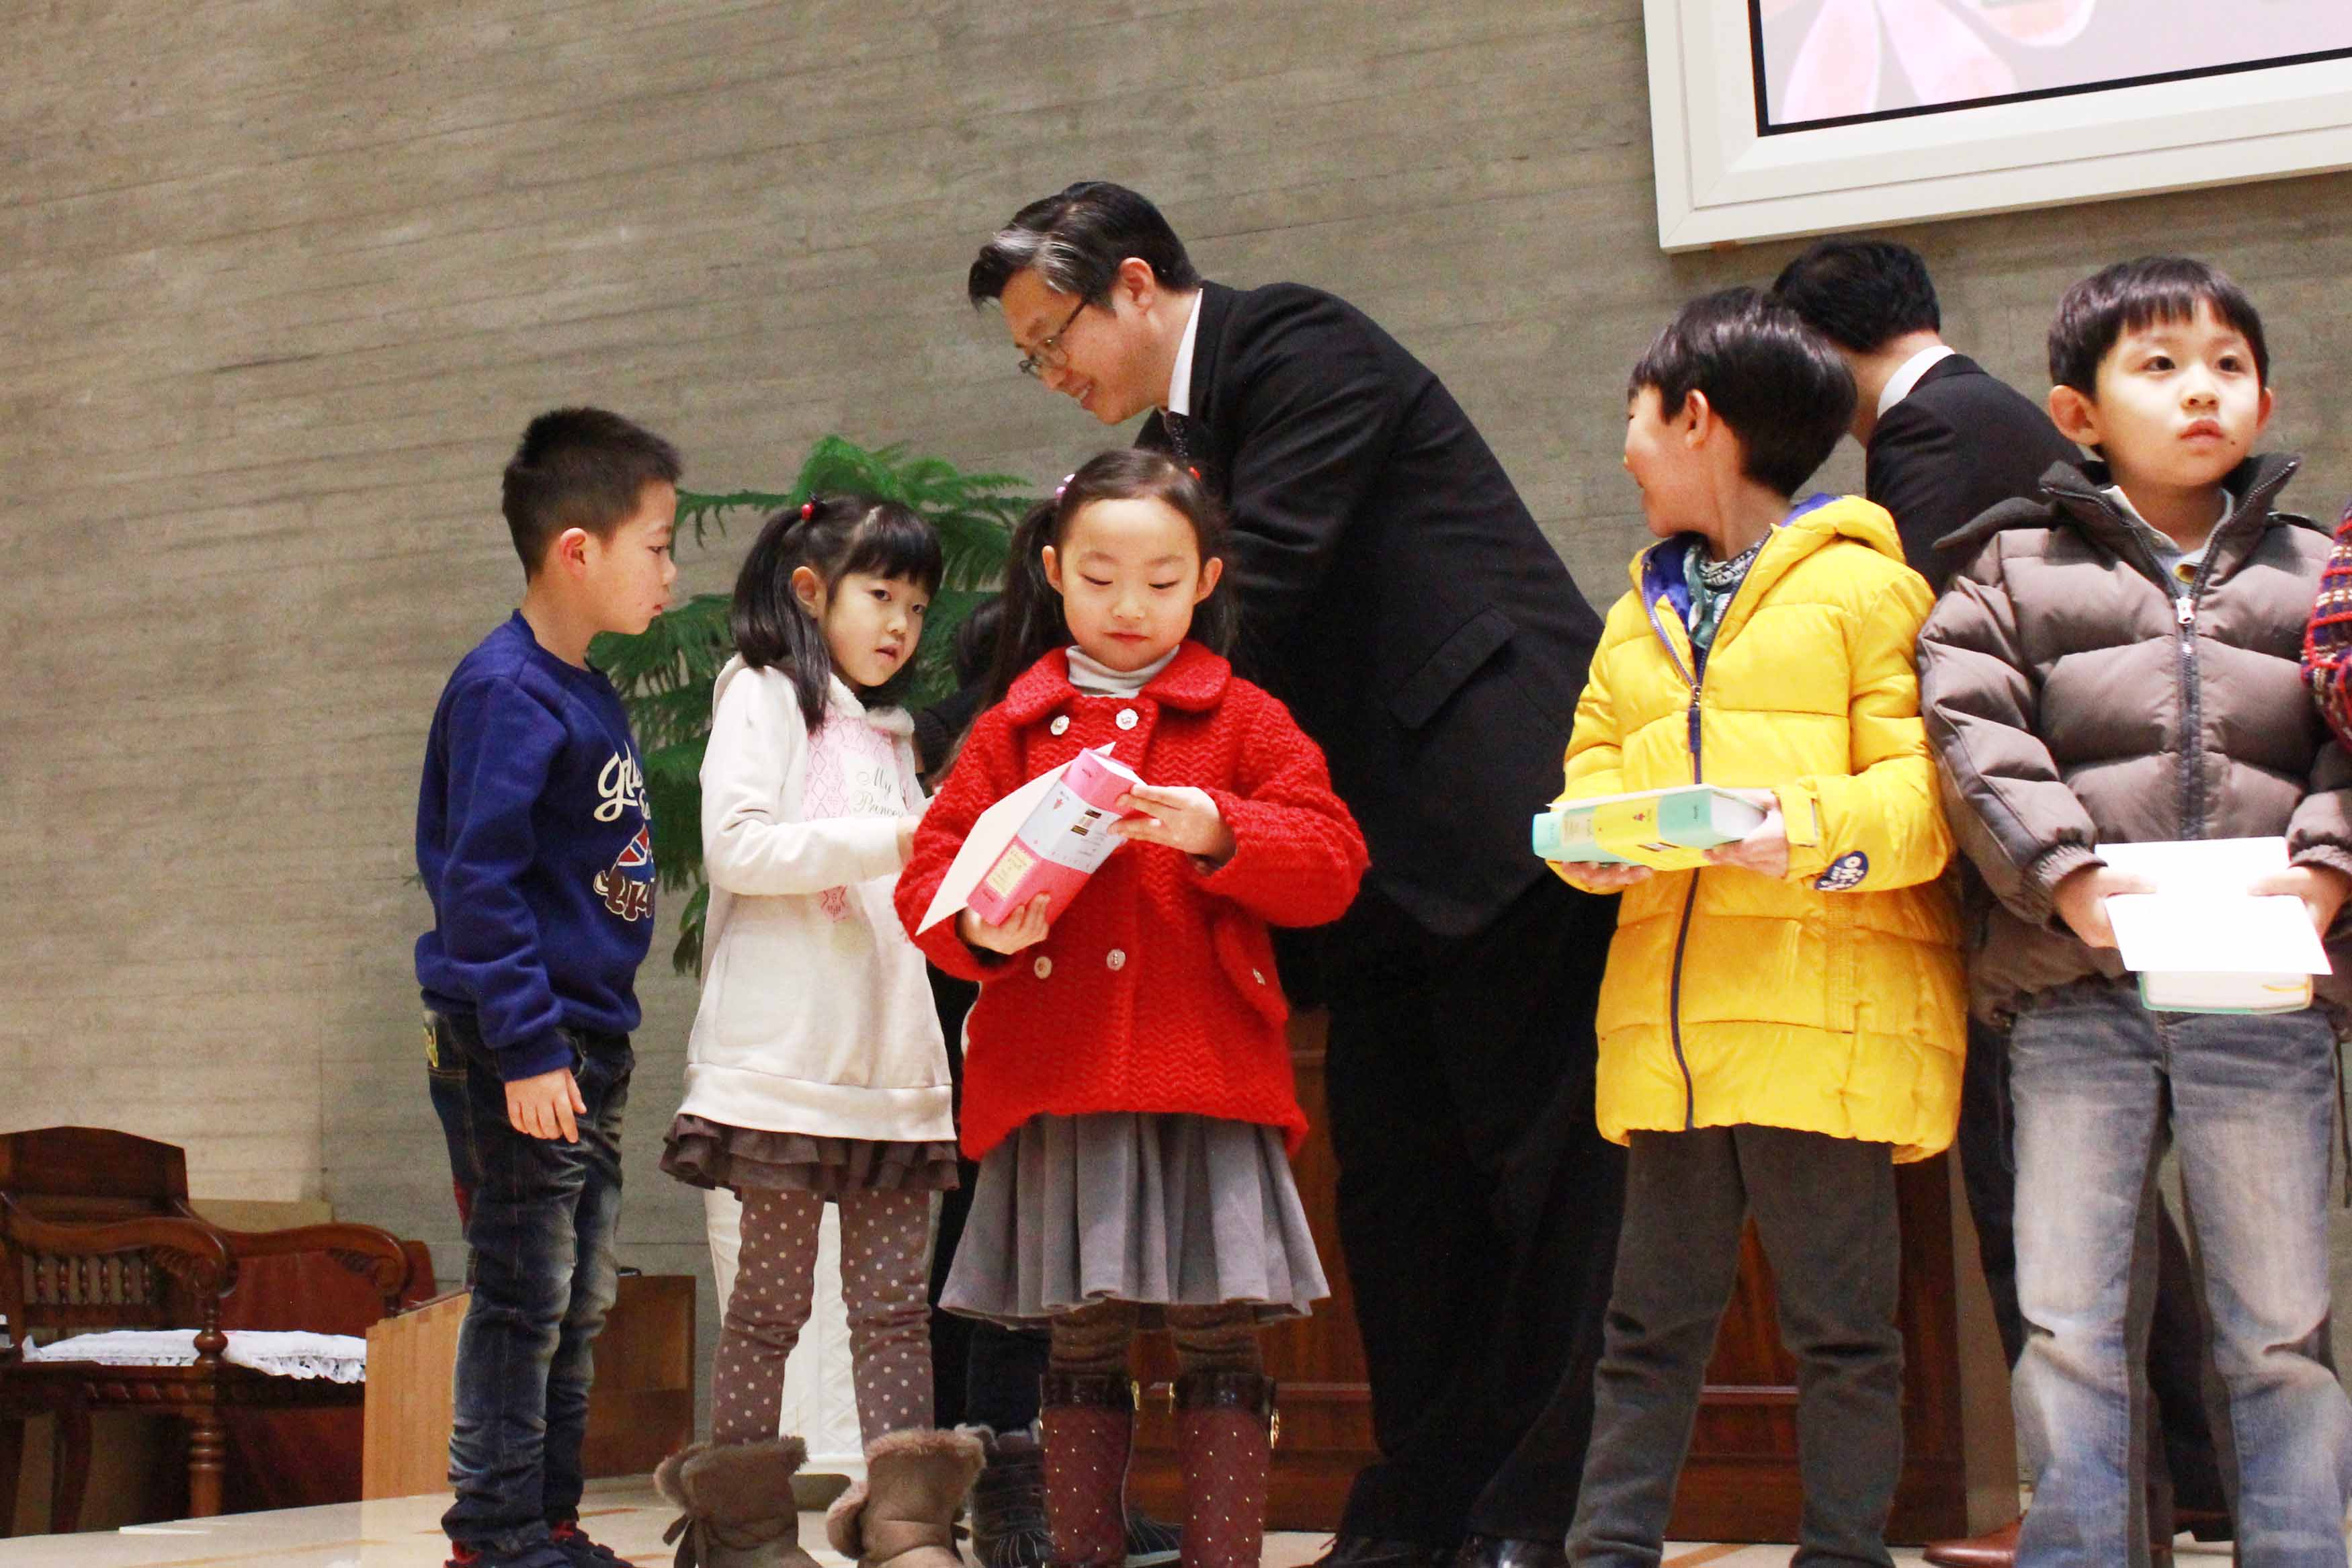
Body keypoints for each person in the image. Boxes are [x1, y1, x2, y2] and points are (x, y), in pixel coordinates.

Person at [966, 181, 1622, 1568]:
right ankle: (1415, 1515)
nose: (1052, 372)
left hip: (1493, 818)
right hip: (1362, 870)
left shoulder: (1298, 347)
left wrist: (1074, 718)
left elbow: (1259, 585)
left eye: (1053, 336)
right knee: (1401, 1200)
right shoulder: (1170, 448)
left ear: (1133, 284)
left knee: (1545, 1189)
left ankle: (1534, 1519)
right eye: (1029, 358)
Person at [1773, 238, 2230, 1567]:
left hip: (2036, 874)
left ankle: (2090, 1503)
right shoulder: (1986, 416)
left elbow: (1922, 657)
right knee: (2109, 1211)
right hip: (2093, 862)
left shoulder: (1936, 432)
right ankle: (2186, 1477)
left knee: (2043, 1203)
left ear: (1820, 352)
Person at [1919, 257, 2352, 1568]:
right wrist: (2066, 876)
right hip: (2071, 993)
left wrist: (2330, 867)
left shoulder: (2321, 569)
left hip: (2261, 989)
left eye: (2227, 366)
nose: (2199, 391)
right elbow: (1971, 727)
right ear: (2077, 413)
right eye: (2157, 367)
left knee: (2279, 1327)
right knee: (2068, 1321)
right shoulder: (2007, 568)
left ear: (2266, 399)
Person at [1550, 288, 1964, 1568]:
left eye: (1634, 415)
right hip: (1674, 1034)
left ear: (1697, 418)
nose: (1623, 447)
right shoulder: (1636, 612)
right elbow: (1589, 774)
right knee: (1644, 1330)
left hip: (1818, 1026)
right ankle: (1607, 1551)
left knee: (1844, 1331)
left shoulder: (1868, 591)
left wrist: (1796, 823)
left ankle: (1844, 1552)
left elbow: (1928, 805)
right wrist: (1590, 842)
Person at [895, 449, 1369, 1568]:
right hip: (1061, 1078)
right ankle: (1084, 1552)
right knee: (1080, 1336)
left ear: (1206, 579)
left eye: (1161, 580)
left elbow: (1336, 859)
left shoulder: (1245, 717)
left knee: (1219, 1331)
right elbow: (929, 880)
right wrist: (982, 930)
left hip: (1205, 1074)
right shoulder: (1011, 725)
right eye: (1100, 576)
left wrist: (1222, 829)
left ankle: (1223, 1556)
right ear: (1055, 572)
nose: (1129, 605)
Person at [652, 496, 982, 1568]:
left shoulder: (887, 733)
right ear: (810, 591)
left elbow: (905, 892)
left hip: (887, 1064)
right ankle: (744, 1529)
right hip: (786, 1067)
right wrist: (902, 834)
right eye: (880, 594)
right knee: (769, 1306)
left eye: (917, 606)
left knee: (893, 1311)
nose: (901, 624)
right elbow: (740, 848)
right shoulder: (760, 691)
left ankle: (905, 1524)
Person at [415, 406, 681, 1568]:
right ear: (578, 550)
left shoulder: (583, 687)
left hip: (586, 1037)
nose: (671, 572)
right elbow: (477, 884)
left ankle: (549, 1520)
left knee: (579, 1296)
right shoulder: (506, 690)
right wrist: (525, 1046)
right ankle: (495, 1531)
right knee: (524, 1293)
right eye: (657, 546)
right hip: (519, 1043)